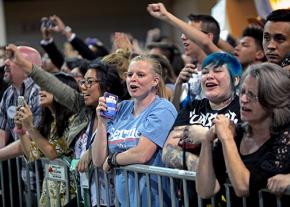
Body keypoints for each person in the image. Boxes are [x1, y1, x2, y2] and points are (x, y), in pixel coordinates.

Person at [5, 44, 124, 206]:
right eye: (83, 82)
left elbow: (53, 153)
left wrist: (90, 152)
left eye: (89, 82)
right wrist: (23, 64)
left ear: (107, 86)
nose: (83, 87)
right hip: (88, 195)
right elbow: (53, 84)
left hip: (114, 195)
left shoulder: (123, 112)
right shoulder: (83, 110)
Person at [196, 63, 290, 207]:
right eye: (243, 92)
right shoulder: (237, 133)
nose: (244, 100)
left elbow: (244, 187)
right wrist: (207, 141)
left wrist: (226, 138)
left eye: (252, 95)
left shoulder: (284, 138)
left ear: (273, 99)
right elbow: (206, 190)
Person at [92, 55, 177, 206]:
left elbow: (142, 153)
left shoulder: (163, 108)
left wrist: (113, 160)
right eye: (130, 75)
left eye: (141, 75)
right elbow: (98, 160)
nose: (133, 79)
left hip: (155, 200)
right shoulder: (121, 108)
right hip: (126, 201)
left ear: (155, 81)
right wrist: (102, 122)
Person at [162, 52, 242, 206]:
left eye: (217, 71)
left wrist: (204, 136)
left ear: (236, 79)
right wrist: (208, 172)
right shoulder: (192, 108)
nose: (209, 76)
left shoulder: (243, 109)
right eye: (205, 72)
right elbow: (168, 151)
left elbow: (241, 149)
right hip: (192, 199)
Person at [13, 73, 80, 207]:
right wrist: (21, 131)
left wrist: (30, 127)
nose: (41, 91)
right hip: (50, 192)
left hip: (71, 195)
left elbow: (52, 153)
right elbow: (32, 154)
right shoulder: (50, 122)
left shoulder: (76, 121)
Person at [0, 45, 42, 207]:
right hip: (24, 174)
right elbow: (2, 132)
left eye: (12, 59)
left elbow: (32, 138)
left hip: (47, 173)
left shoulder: (40, 92)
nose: (5, 63)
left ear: (27, 68)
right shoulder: (9, 93)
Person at [147, 3, 221, 55]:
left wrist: (166, 15)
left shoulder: (223, 61)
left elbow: (205, 41)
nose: (182, 37)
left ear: (209, 37)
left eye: (189, 32)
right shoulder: (189, 71)